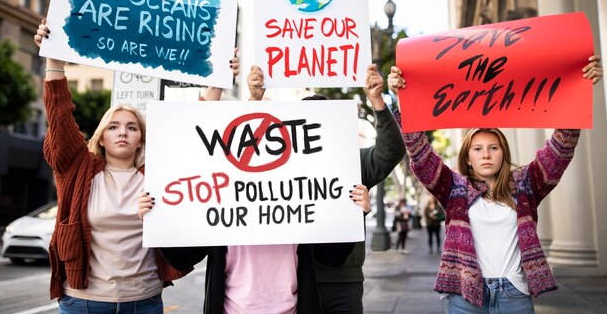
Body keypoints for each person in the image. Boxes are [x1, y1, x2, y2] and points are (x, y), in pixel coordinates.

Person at [34, 19, 238, 314]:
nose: (122, 132)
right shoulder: (77, 169)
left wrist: (218, 79)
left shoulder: (157, 172)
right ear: (101, 137)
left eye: (131, 127)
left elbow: (195, 131)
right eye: (113, 126)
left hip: (145, 301)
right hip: (83, 302)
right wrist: (54, 59)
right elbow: (60, 118)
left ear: (141, 139)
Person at [387, 55, 603, 314]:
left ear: (503, 153)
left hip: (514, 295)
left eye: (493, 147)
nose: (486, 154)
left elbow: (561, 147)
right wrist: (403, 99)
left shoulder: (525, 186)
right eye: (477, 149)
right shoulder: (453, 188)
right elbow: (420, 152)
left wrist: (579, 88)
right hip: (466, 295)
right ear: (468, 156)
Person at [247, 63, 406, 314]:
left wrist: (376, 101)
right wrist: (254, 101)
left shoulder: (354, 161)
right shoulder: (282, 165)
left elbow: (392, 151)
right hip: (293, 278)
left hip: (342, 281)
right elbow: (242, 157)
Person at [139, 184, 371, 314]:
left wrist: (355, 212)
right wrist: (156, 219)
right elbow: (181, 259)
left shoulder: (296, 204)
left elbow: (334, 256)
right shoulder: (221, 205)